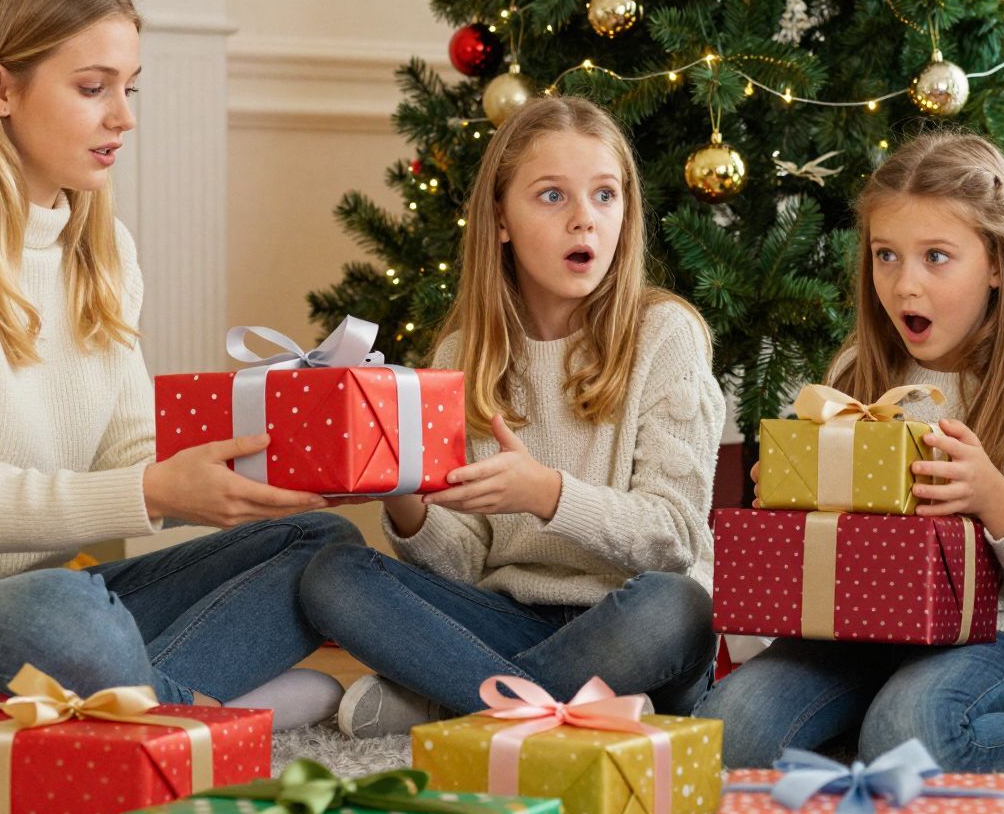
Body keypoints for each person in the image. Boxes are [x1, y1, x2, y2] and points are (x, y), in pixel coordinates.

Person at [0, 0, 361, 744]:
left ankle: (145, 708)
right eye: (93, 88)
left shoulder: (103, 249)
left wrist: (267, 464)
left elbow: (128, 449)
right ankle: (201, 714)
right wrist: (162, 491)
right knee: (66, 615)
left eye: (130, 88)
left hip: (43, 614)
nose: (123, 116)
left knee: (315, 546)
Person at [302, 95, 722, 738]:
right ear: (500, 219)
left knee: (677, 607)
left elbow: (674, 538)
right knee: (334, 573)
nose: (585, 220)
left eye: (605, 196)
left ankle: (454, 700)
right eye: (552, 196)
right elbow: (467, 564)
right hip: (509, 614)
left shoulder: (665, 335)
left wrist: (548, 494)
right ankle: (538, 710)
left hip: (629, 620)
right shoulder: (462, 355)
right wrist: (405, 495)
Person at [697, 130, 1004, 773]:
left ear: (997, 264)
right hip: (859, 634)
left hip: (1002, 635)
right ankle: (882, 714)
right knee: (729, 731)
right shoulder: (856, 373)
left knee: (906, 739)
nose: (904, 285)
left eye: (936, 257)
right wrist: (790, 496)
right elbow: (824, 561)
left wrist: (996, 503)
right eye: (886, 255)